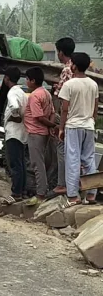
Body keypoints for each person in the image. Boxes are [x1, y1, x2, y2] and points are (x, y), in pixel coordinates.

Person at [58, 52, 99, 207]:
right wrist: (91, 121)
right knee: (89, 160)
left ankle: (73, 195)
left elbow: (64, 110)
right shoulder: (93, 84)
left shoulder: (69, 84)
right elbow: (95, 108)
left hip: (73, 126)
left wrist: (61, 128)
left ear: (73, 65)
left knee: (72, 159)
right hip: (89, 126)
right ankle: (90, 194)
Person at [24, 67, 56, 204]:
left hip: (36, 132)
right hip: (43, 133)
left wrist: (51, 126)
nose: (26, 82)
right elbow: (53, 112)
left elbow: (39, 117)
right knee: (40, 162)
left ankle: (41, 193)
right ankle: (43, 189)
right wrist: (51, 126)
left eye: (27, 79)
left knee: (37, 164)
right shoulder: (46, 93)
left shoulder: (34, 96)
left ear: (33, 80)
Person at [51, 37, 75, 195]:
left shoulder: (66, 70)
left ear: (61, 52)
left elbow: (60, 94)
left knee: (61, 148)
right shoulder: (76, 67)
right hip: (77, 115)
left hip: (66, 113)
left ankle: (62, 183)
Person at [2, 67, 28, 201]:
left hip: (13, 132)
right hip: (22, 132)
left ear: (7, 78)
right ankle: (22, 190)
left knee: (15, 164)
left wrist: (15, 116)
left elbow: (14, 106)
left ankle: (16, 192)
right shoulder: (22, 92)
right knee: (21, 163)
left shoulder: (12, 93)